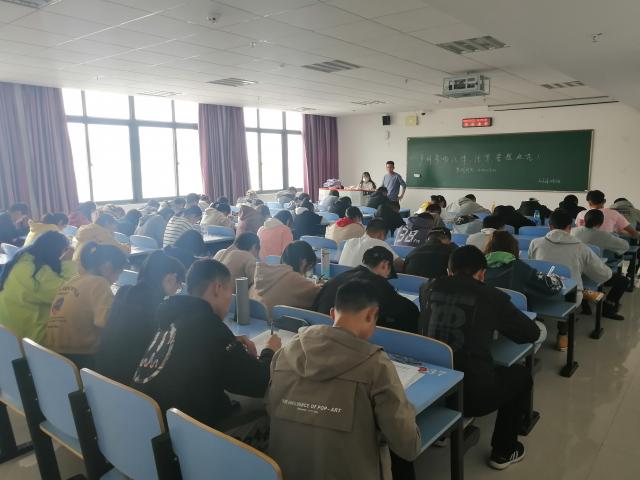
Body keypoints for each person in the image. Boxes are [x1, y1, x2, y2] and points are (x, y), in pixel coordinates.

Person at [268, 281, 421, 480]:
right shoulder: (376, 365)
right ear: (371, 314)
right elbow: (408, 446)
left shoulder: (284, 354)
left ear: (332, 314)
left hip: (287, 472)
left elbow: (270, 406)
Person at [421, 246, 540, 470]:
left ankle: (442, 433)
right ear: (482, 274)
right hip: (473, 398)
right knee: (520, 375)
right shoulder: (491, 296)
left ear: (449, 270)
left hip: (433, 390)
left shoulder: (427, 288)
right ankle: (504, 451)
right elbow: (530, 334)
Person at [133, 260, 281, 437]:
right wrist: (270, 350)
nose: (230, 300)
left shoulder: (170, 321)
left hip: (149, 430)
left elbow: (194, 352)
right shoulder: (210, 327)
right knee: (271, 411)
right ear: (217, 288)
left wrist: (230, 342)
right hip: (190, 438)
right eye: (230, 292)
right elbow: (259, 382)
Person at [529, 209, 615, 348]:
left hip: (539, 293)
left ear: (550, 226)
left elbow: (533, 265)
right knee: (573, 290)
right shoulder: (581, 248)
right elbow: (603, 274)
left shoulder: (535, 243)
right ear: (570, 227)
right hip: (568, 296)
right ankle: (562, 335)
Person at [95, 252, 185, 384]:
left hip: (100, 373)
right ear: (170, 279)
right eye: (179, 284)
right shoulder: (160, 307)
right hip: (129, 381)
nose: (178, 289)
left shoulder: (123, 291)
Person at [47, 243, 127, 368]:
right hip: (80, 355)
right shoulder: (100, 283)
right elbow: (106, 322)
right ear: (108, 267)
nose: (117, 279)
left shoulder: (73, 280)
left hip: (53, 352)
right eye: (118, 273)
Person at [314, 246, 419, 333]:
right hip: (347, 336)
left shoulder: (339, 277)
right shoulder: (379, 284)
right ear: (385, 265)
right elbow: (410, 310)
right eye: (388, 274)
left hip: (320, 330)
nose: (387, 278)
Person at [0, 231, 76, 343]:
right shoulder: (38, 274)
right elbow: (68, 293)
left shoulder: (20, 261)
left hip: (5, 331)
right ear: (55, 252)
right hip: (29, 340)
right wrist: (68, 263)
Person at [250, 241, 321, 314]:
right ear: (304, 262)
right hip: (274, 320)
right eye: (309, 268)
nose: (306, 274)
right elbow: (322, 295)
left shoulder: (268, 273)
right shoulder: (294, 279)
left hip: (255, 318)